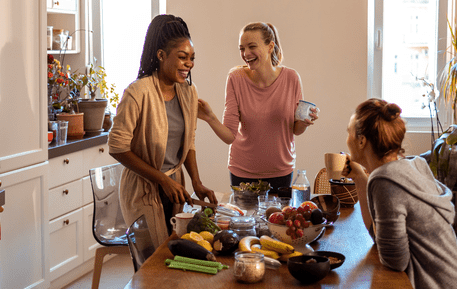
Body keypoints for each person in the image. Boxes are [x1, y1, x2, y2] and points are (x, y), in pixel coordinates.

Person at [109, 14, 218, 246]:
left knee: (175, 251)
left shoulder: (188, 92)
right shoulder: (137, 93)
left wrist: (196, 182)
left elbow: (188, 142)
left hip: (175, 187)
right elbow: (117, 148)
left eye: (192, 58)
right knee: (155, 262)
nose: (189, 64)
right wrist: (162, 180)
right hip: (142, 189)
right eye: (182, 57)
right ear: (161, 55)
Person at [342, 98, 457, 289]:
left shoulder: (385, 181)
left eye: (349, 132)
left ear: (361, 140)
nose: (347, 139)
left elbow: (395, 261)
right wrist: (360, 178)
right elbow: (380, 238)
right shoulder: (414, 166)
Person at [197, 22, 318, 189]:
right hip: (242, 174)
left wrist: (304, 122)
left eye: (252, 46)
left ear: (270, 47)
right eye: (242, 48)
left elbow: (295, 129)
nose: (246, 54)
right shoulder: (235, 78)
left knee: (277, 215)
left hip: (281, 171)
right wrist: (209, 117)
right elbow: (229, 136)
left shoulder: (292, 78)